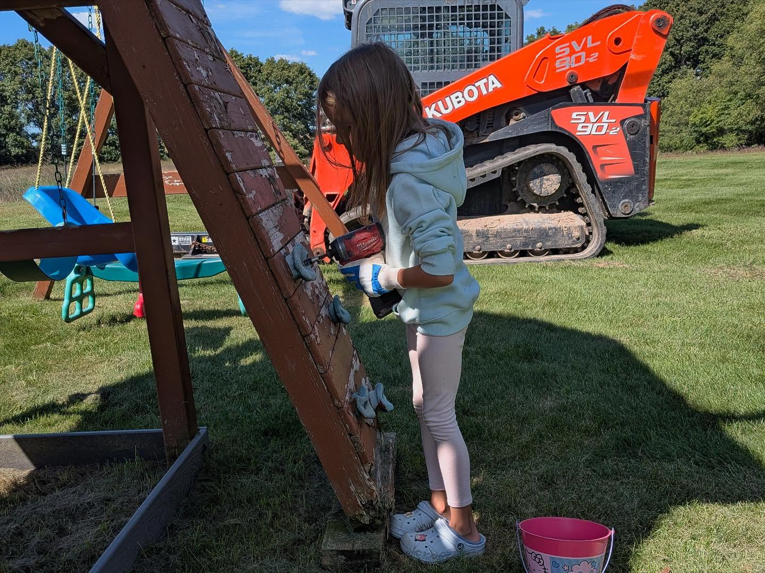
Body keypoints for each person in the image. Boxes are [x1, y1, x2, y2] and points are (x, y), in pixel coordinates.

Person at [316, 43, 482, 564]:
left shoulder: (407, 180)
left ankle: (464, 529)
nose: (340, 139)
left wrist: (381, 272)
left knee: (438, 413)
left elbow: (441, 267)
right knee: (423, 406)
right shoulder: (416, 157)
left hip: (438, 309)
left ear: (371, 114)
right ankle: (438, 505)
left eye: (344, 128)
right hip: (423, 309)